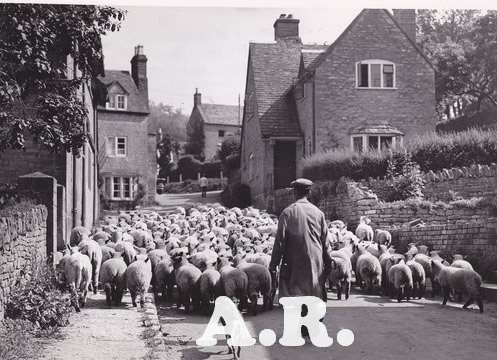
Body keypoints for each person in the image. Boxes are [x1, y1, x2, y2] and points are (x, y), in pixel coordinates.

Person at [269, 178, 332, 338]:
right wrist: (328, 261)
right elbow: (325, 241)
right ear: (309, 192)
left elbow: (280, 241)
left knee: (294, 293)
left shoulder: (288, 212)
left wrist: (273, 264)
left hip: (294, 259)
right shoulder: (319, 213)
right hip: (315, 259)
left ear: (294, 193)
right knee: (314, 290)